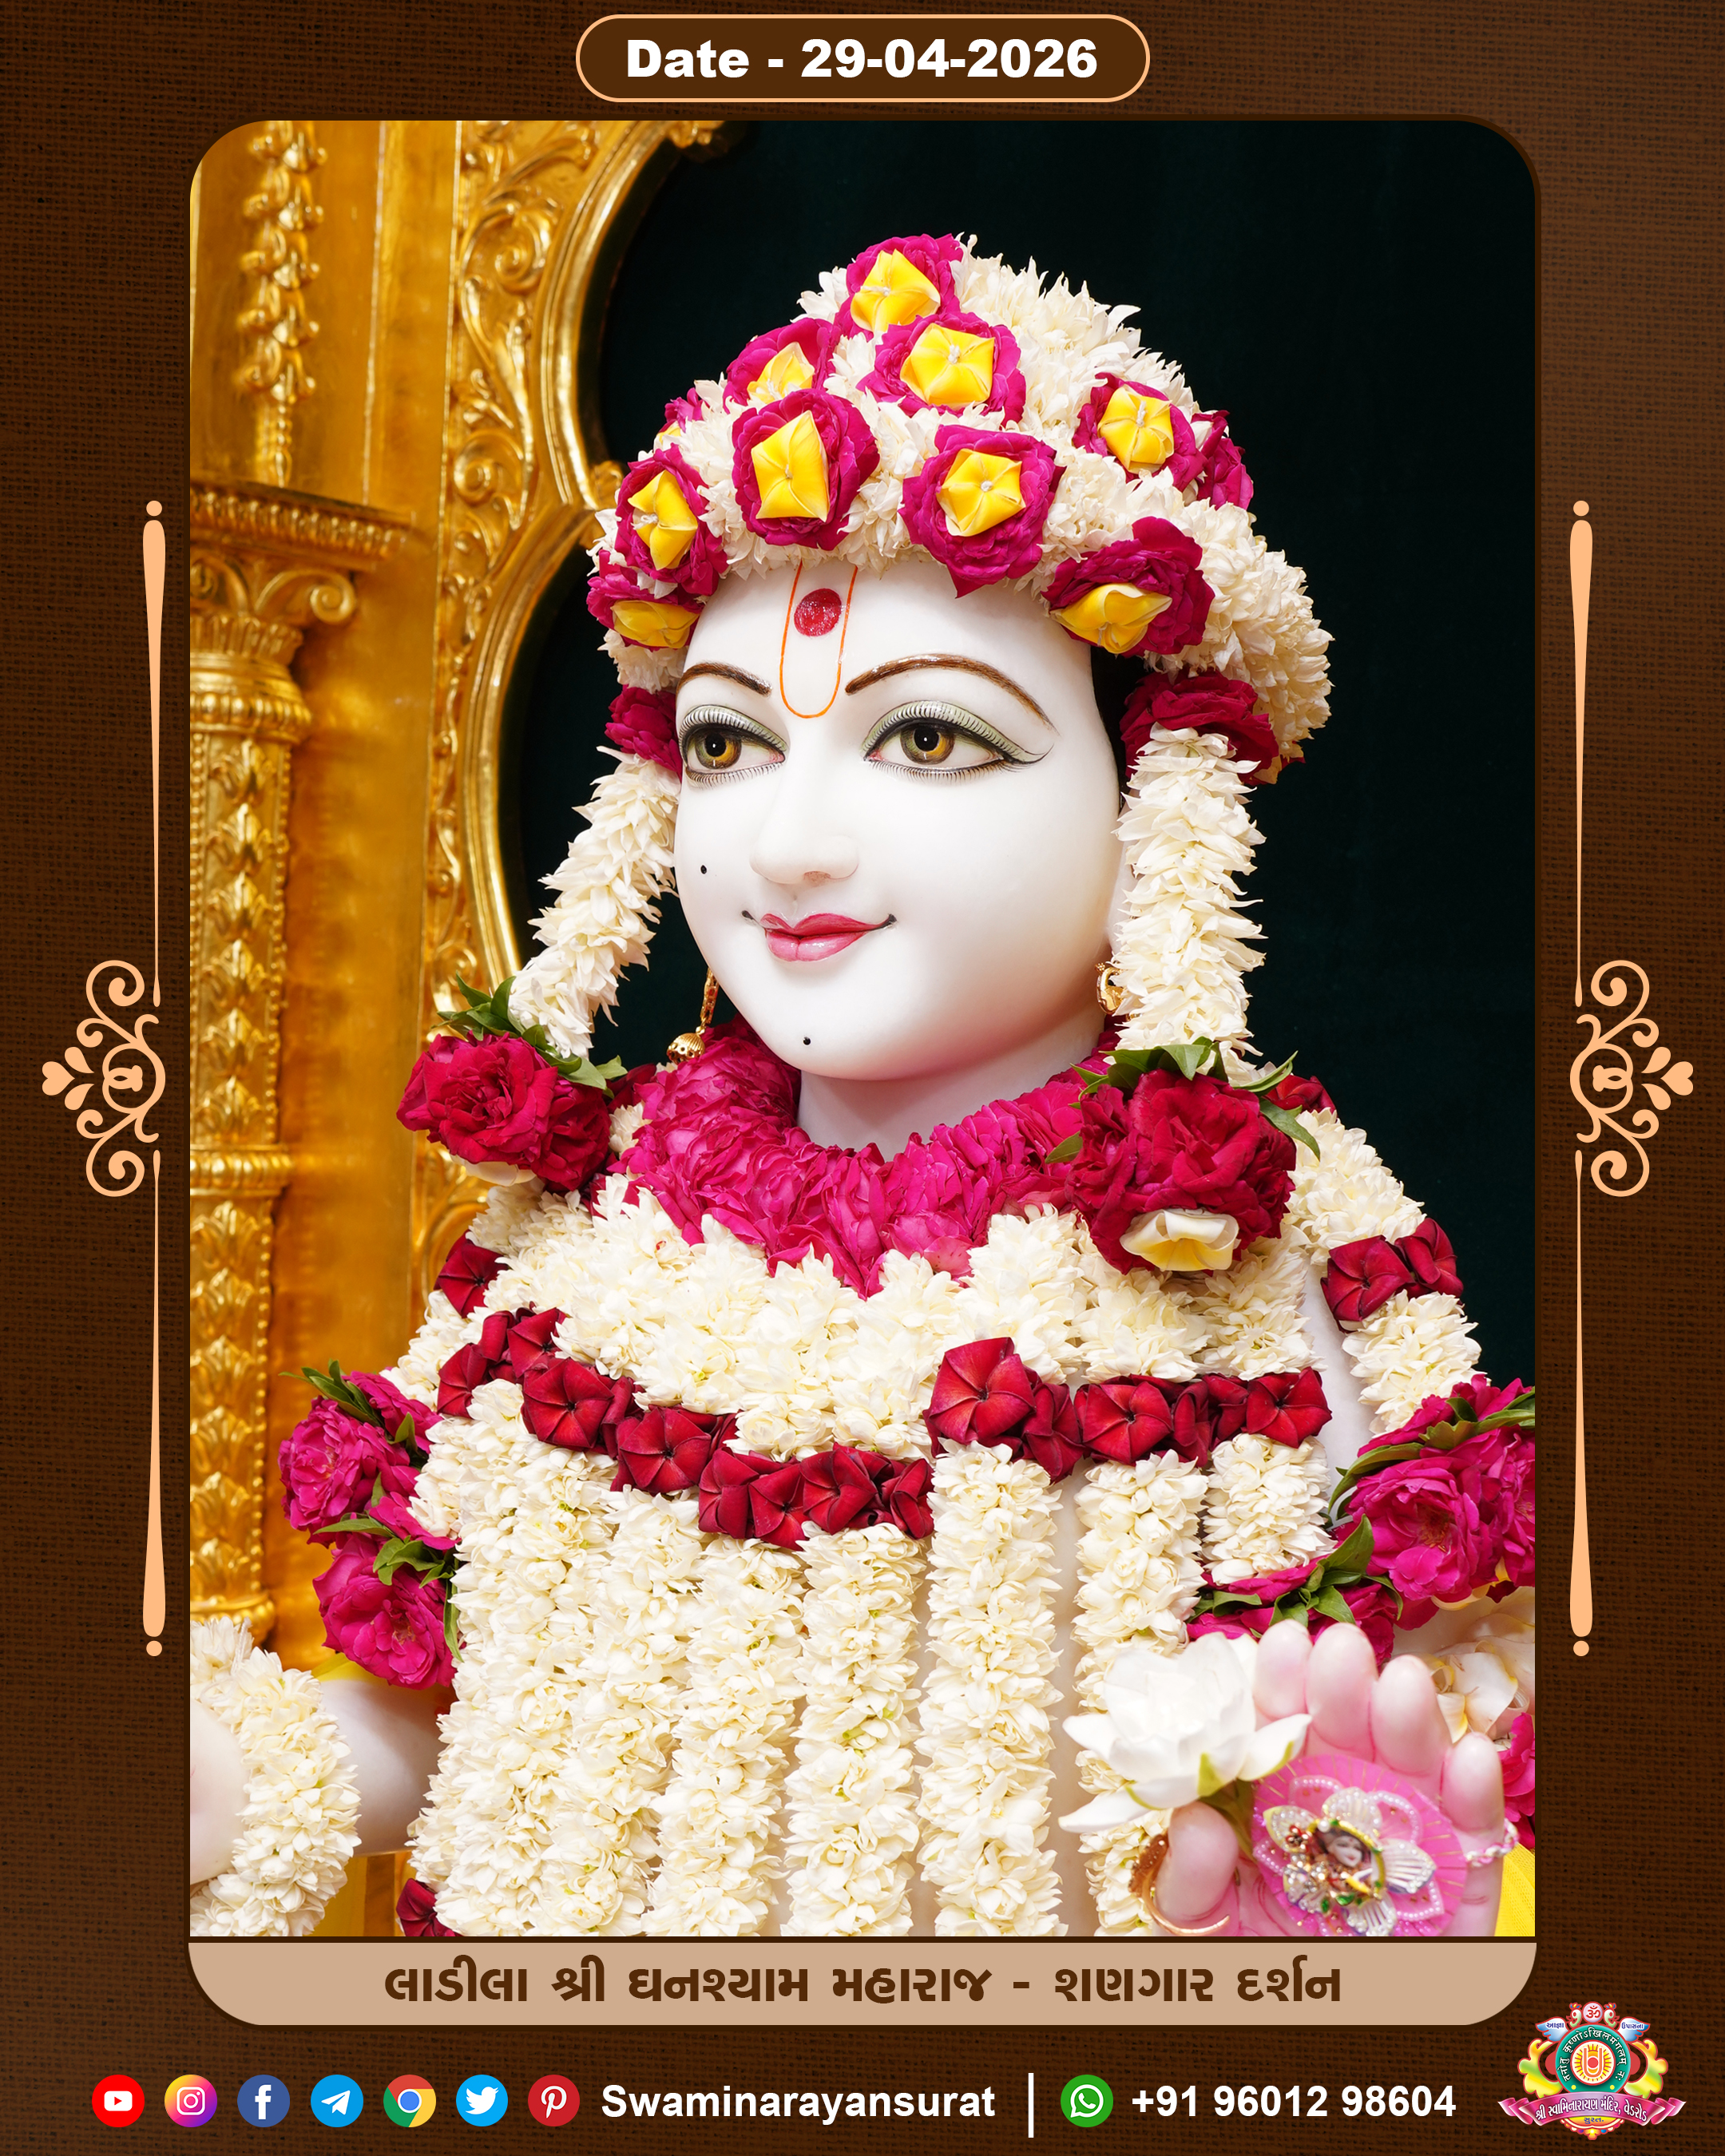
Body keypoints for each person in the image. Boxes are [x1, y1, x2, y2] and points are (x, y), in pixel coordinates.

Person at [190, 232, 1533, 1940]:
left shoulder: (1270, 1247)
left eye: (928, 738)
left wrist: (1368, 1897)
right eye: (729, 743)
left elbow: (1440, 1737)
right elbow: (455, 1729)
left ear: (1155, 794)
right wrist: (223, 1781)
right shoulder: (586, 1236)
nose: (790, 842)